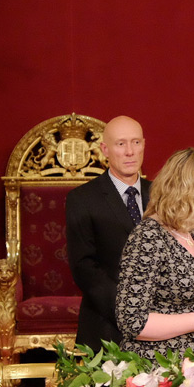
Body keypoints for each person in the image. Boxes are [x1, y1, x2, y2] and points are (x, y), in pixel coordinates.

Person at [116, 148, 194, 358]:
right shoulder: (149, 236)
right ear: (193, 191)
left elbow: (177, 307)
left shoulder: (190, 233)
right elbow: (133, 321)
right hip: (159, 369)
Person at [66, 115, 151, 350]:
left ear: (143, 145)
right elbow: (84, 267)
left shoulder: (161, 194)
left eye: (136, 142)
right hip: (106, 325)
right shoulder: (82, 199)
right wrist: (128, 310)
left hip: (161, 325)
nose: (130, 152)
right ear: (105, 149)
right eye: (121, 144)